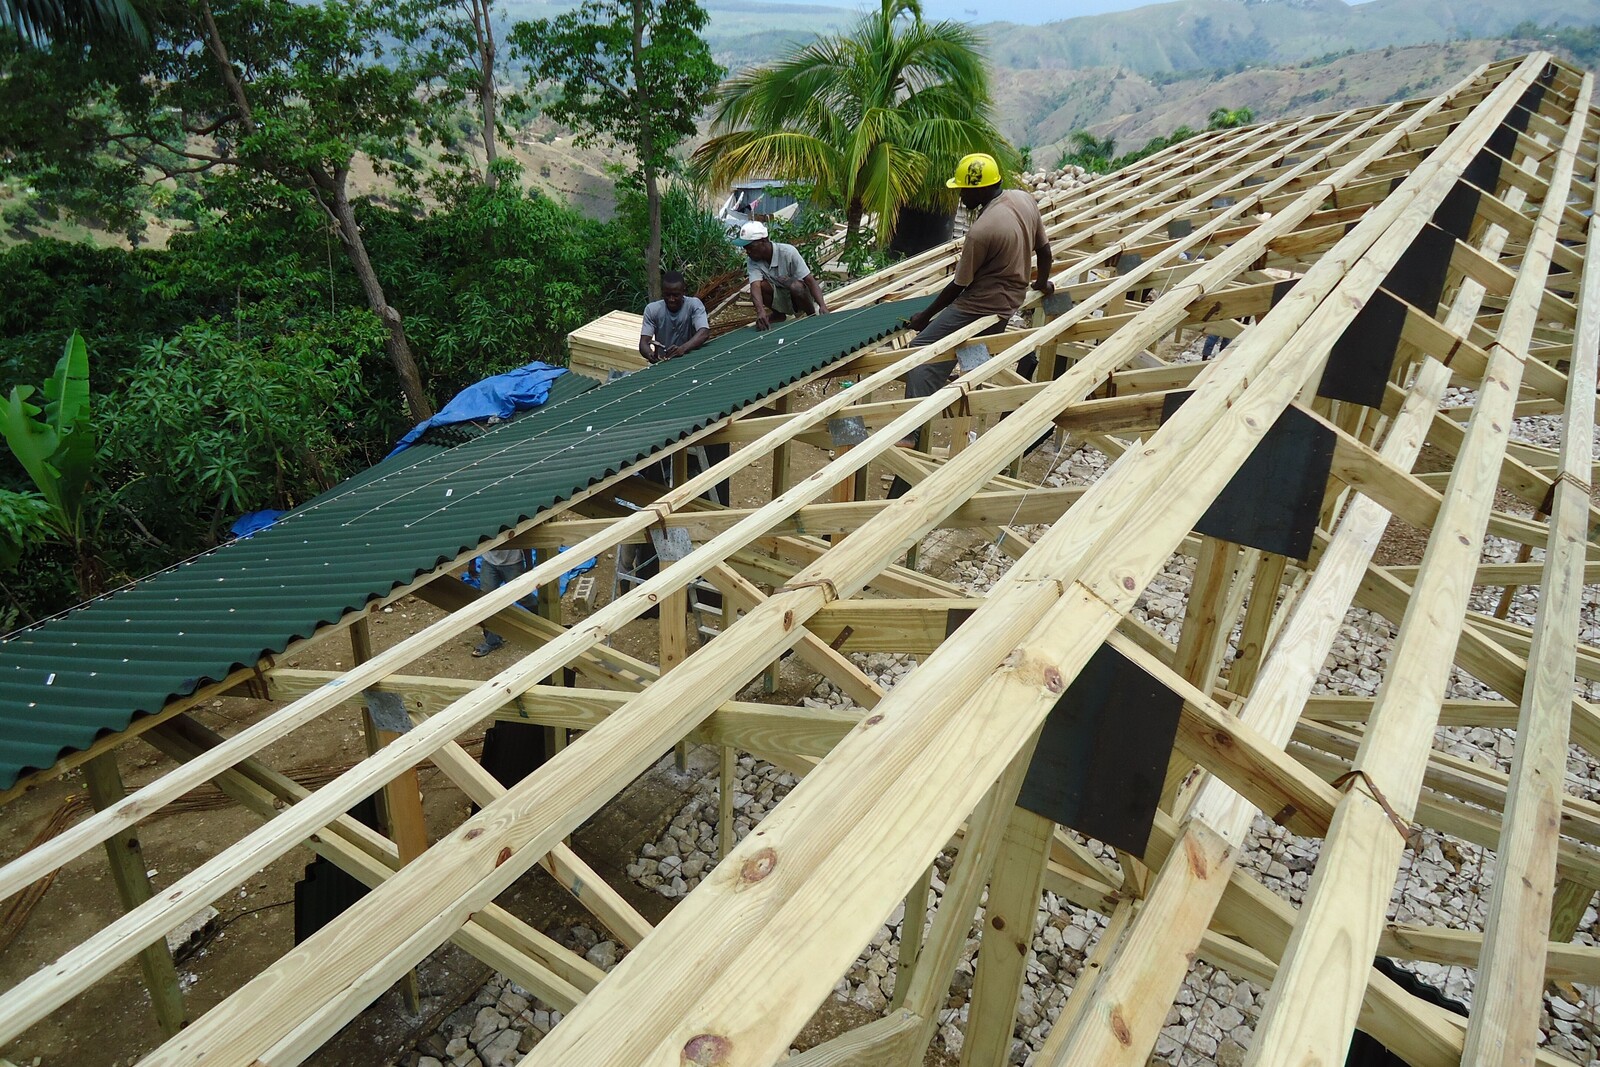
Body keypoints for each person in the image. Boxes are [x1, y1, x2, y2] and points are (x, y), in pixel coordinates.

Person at [902, 153, 1054, 411]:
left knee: (922, 352)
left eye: (964, 190)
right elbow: (1045, 251)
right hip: (1010, 302)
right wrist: (1042, 282)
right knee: (974, 347)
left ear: (980, 189)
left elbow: (958, 286)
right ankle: (971, 387)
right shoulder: (1024, 199)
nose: (960, 197)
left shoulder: (981, 231)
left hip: (981, 304)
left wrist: (924, 316)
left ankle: (910, 430)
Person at [734, 221, 829, 330]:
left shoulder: (788, 252)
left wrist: (823, 306)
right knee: (762, 286)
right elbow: (755, 286)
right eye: (745, 249)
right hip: (780, 296)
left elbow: (809, 280)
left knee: (796, 287)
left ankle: (811, 315)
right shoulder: (752, 261)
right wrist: (760, 312)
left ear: (764, 240)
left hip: (800, 297)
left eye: (750, 247)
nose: (748, 252)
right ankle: (778, 314)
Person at [638, 271, 711, 364]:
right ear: (662, 292)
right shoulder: (652, 310)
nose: (671, 299)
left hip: (691, 361)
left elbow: (704, 333)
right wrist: (650, 354)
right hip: (664, 363)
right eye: (667, 295)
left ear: (684, 291)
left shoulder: (694, 305)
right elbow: (643, 342)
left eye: (676, 295)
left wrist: (682, 349)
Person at [473, 545, 529, 657]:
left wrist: (529, 564)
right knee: (487, 600)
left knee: (523, 597)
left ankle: (548, 619)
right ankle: (492, 640)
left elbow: (526, 539)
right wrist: (472, 563)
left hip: (512, 562)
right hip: (489, 561)